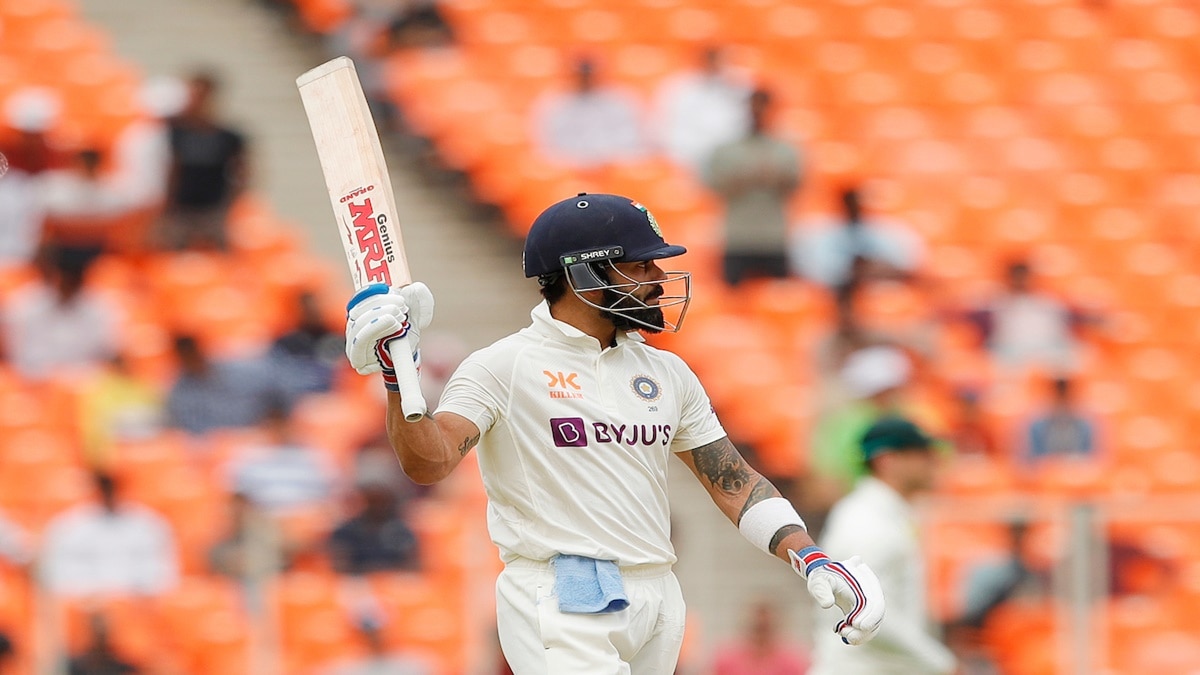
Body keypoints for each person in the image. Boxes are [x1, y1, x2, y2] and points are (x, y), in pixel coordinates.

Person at [343, 193, 884, 673]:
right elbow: (429, 462)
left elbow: (734, 482)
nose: (659, 279)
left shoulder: (667, 372)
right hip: (562, 592)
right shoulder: (503, 366)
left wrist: (810, 555)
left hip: (658, 593)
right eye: (641, 265)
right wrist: (397, 378)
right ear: (584, 275)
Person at [810, 417, 956, 675]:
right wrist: (941, 663)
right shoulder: (866, 521)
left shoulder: (885, 516)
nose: (933, 462)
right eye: (921, 454)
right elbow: (866, 612)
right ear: (886, 460)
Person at [703, 88, 802, 287]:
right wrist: (746, 177)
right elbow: (714, 184)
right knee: (732, 297)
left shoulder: (786, 150)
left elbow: (795, 185)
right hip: (738, 236)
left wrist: (772, 176)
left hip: (774, 237)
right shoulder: (726, 150)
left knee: (778, 296)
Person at [41, 471, 179, 597]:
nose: (108, 493)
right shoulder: (68, 526)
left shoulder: (148, 525)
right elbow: (57, 574)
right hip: (87, 606)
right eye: (102, 488)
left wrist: (133, 594)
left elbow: (163, 572)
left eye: (112, 487)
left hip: (138, 605)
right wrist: (92, 594)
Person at [160, 69, 248, 250]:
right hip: (180, 211)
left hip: (214, 210)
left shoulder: (228, 137)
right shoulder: (172, 132)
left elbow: (242, 172)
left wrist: (229, 205)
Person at [1, 248, 120, 380]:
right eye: (65, 277)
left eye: (73, 279)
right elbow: (20, 357)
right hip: (35, 381)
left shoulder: (100, 307)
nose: (68, 283)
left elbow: (106, 353)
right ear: (53, 274)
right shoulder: (25, 305)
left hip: (86, 382)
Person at [962, 259, 1093, 373]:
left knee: (1082, 358)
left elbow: (1075, 317)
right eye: (1017, 277)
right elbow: (966, 315)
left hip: (1049, 350)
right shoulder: (994, 301)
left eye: (1024, 277)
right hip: (1008, 353)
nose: (1021, 281)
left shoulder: (1047, 301)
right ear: (1009, 278)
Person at [792, 186, 924, 292]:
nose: (854, 208)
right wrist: (850, 271)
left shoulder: (888, 230)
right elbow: (815, 271)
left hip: (882, 286)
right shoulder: (820, 232)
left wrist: (873, 268)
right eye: (850, 203)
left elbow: (907, 266)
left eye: (858, 203)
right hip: (840, 290)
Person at [223, 402, 339, 513]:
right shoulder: (247, 457)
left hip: (306, 517)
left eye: (281, 425)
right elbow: (236, 496)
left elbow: (330, 493)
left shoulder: (312, 456)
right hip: (261, 518)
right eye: (271, 425)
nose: (277, 430)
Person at [532, 58, 646, 168]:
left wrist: (604, 160)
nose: (586, 78)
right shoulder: (555, 102)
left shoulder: (620, 100)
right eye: (582, 74)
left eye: (589, 74)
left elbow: (631, 139)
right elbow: (546, 145)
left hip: (613, 166)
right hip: (568, 168)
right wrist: (579, 162)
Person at [651, 46, 750, 172]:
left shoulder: (740, 86)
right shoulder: (679, 87)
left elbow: (745, 125)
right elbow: (665, 129)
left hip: (730, 160)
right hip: (686, 157)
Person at [164, 334, 279, 435]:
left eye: (192, 353)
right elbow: (191, 428)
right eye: (186, 356)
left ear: (200, 350)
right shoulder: (181, 391)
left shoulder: (237, 368)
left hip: (259, 432)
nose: (192, 359)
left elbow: (273, 391)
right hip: (219, 443)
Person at [327, 477, 421, 575]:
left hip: (393, 578)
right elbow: (340, 565)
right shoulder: (346, 531)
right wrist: (372, 572)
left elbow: (413, 564)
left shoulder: (401, 530)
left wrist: (388, 573)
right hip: (356, 580)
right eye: (373, 501)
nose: (378, 507)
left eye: (382, 501)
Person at [269, 290, 344, 403]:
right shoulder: (286, 341)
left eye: (315, 306)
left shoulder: (333, 338)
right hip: (296, 398)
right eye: (307, 307)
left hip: (330, 397)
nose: (313, 311)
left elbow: (342, 375)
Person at [710, 599, 810, 675]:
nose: (761, 636)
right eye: (757, 628)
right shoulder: (727, 660)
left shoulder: (792, 662)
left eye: (765, 628)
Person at [1023, 377, 1097, 464]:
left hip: (1075, 470)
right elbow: (1033, 461)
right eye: (1057, 394)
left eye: (1065, 394)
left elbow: (1089, 460)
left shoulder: (1084, 426)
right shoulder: (1037, 427)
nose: (1061, 400)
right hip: (1047, 471)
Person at [65, 612, 141, 675]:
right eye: (97, 632)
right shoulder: (77, 664)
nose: (100, 636)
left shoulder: (116, 662)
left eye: (102, 633)